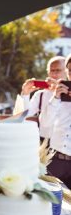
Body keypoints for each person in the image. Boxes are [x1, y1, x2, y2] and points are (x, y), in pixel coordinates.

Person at [39, 54, 71, 189]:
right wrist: (55, 98)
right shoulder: (58, 94)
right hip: (55, 159)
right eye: (70, 70)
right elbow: (45, 124)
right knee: (50, 201)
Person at [19, 56, 66, 140]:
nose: (54, 74)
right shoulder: (40, 95)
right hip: (44, 142)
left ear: (66, 72)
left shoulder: (69, 93)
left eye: (58, 70)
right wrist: (25, 94)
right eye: (52, 70)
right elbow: (23, 116)